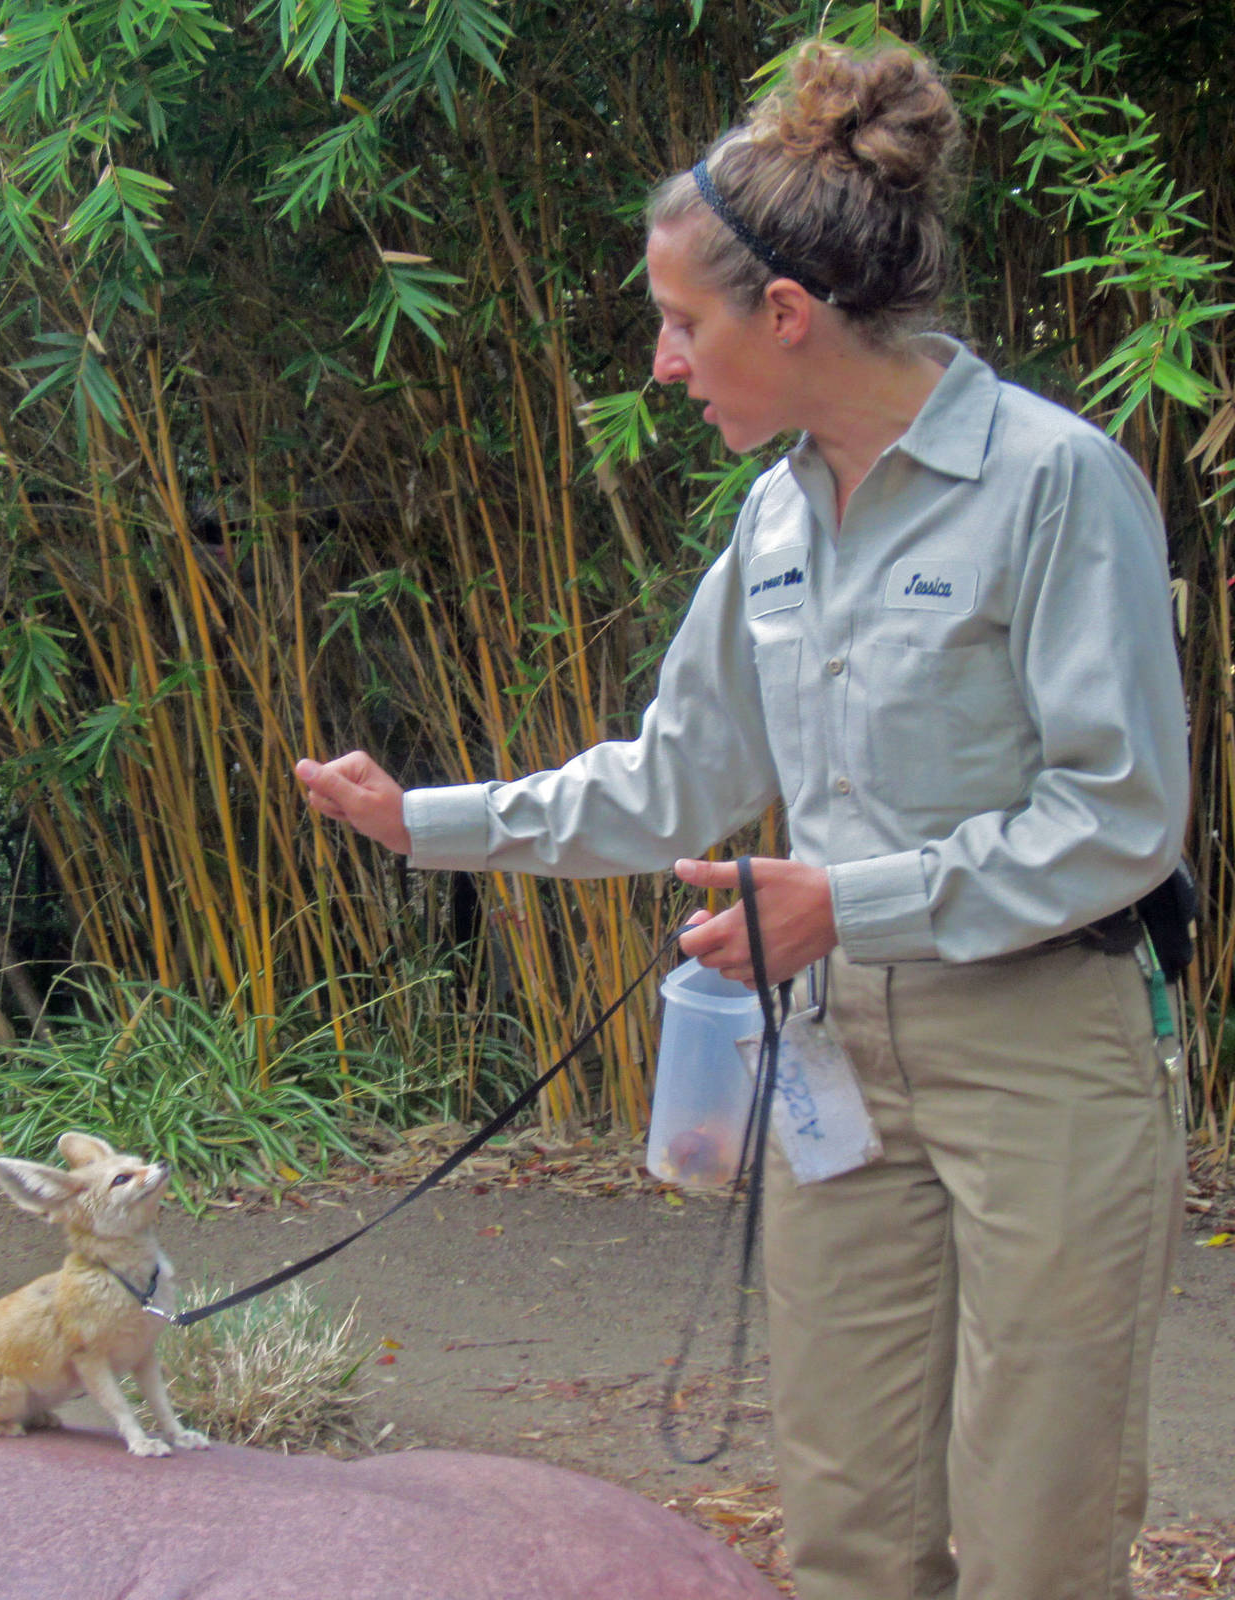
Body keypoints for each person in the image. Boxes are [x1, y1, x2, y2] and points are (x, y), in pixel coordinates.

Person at [295, 40, 1188, 1600]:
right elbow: (668, 777)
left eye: (680, 321)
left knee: (1042, 1530)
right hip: (840, 1051)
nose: (663, 359)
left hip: (1045, 1050)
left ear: (785, 315)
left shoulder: (1052, 481)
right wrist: (421, 822)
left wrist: (847, 902)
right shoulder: (773, 518)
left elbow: (1123, 818)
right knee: (845, 1521)